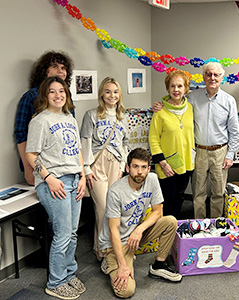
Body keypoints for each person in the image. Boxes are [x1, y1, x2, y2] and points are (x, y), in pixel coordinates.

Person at [153, 62, 239, 219]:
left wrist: (230, 154)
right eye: (209, 74)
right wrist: (160, 105)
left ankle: (215, 227)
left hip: (220, 152)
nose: (212, 78)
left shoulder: (229, 101)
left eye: (216, 75)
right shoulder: (192, 98)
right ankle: (199, 225)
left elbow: (234, 131)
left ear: (222, 77)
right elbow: (175, 104)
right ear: (204, 77)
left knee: (218, 193)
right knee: (198, 193)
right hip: (198, 151)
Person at [25, 76, 86, 300]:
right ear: (45, 95)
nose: (58, 95)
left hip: (74, 179)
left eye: (62, 91)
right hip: (54, 182)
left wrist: (82, 176)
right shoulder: (40, 120)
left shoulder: (70, 118)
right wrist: (48, 178)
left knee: (72, 233)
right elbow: (31, 154)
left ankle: (69, 274)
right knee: (61, 234)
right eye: (52, 91)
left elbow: (77, 149)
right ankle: (55, 281)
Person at [98, 148, 182, 298]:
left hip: (134, 235)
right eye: (135, 167)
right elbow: (113, 230)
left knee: (170, 221)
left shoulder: (152, 179)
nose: (139, 172)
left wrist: (139, 230)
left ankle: (158, 266)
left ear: (148, 169)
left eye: (143, 167)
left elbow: (157, 211)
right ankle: (110, 261)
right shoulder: (115, 191)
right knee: (126, 291)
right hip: (114, 243)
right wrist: (122, 266)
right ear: (127, 168)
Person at [80, 77, 129, 260]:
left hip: (115, 164)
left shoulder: (122, 116)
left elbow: (125, 143)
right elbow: (84, 141)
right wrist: (86, 168)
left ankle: (114, 246)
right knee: (102, 208)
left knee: (115, 208)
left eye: (115, 92)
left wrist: (123, 166)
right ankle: (102, 250)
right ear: (101, 93)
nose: (112, 95)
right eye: (108, 91)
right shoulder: (91, 115)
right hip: (97, 165)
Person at [14, 50, 74, 186]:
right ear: (44, 71)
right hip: (41, 168)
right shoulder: (31, 97)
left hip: (65, 168)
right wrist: (28, 168)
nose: (60, 70)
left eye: (63, 68)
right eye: (55, 66)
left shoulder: (66, 98)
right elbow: (21, 135)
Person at [149, 70, 195, 219]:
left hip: (186, 162)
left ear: (185, 88)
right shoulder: (160, 112)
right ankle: (164, 234)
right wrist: (163, 163)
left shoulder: (190, 109)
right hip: (167, 164)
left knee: (179, 198)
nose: (176, 90)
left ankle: (174, 232)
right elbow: (153, 139)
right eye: (172, 86)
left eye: (180, 86)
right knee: (167, 201)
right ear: (168, 88)